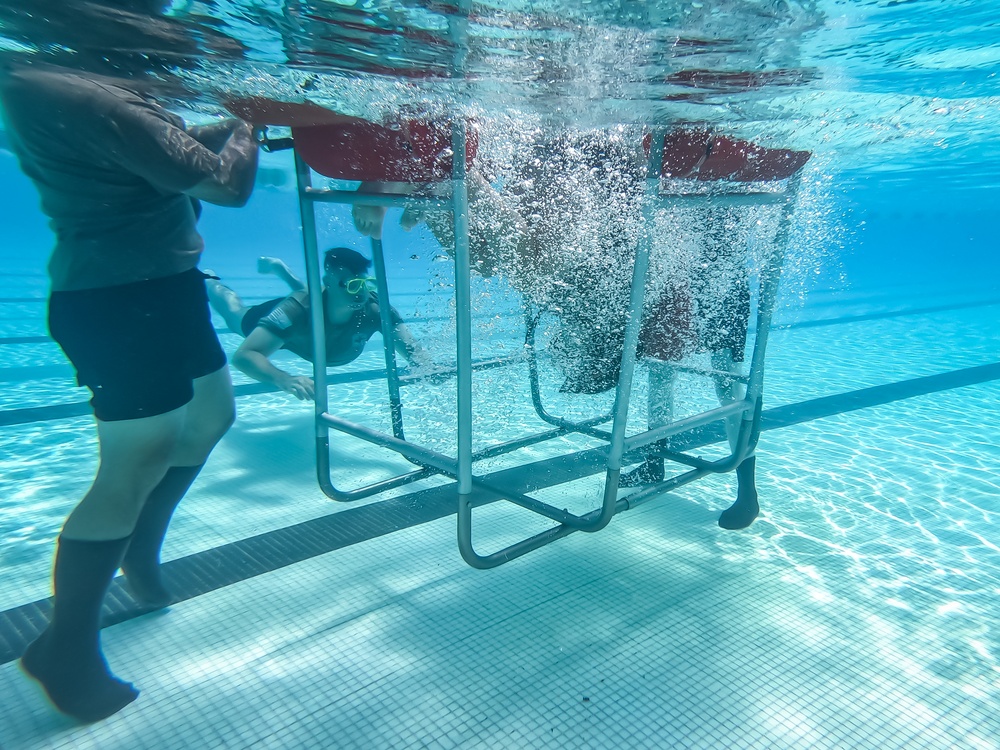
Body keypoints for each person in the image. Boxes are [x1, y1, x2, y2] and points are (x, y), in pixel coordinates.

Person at [0, 59, 258, 723]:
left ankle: (138, 550)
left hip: (164, 288)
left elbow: (152, 148)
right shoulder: (84, 96)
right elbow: (228, 186)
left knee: (210, 417)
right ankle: (66, 647)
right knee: (138, 456)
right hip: (114, 299)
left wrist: (222, 121)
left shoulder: (80, 96)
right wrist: (252, 120)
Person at [206, 249, 435, 400]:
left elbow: (414, 351)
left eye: (367, 283)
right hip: (296, 321)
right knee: (233, 313)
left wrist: (425, 367)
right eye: (353, 285)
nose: (362, 292)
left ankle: (282, 271)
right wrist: (284, 378)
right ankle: (209, 282)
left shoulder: (376, 309)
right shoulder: (295, 311)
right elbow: (244, 355)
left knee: (311, 294)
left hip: (317, 304)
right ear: (329, 282)